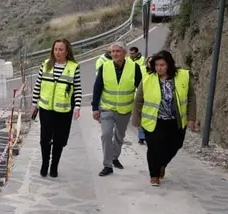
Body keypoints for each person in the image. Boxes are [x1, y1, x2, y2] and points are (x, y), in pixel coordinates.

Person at [132, 50, 197, 186]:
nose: (159, 68)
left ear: (169, 64)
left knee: (176, 145)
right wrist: (136, 120)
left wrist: (191, 118)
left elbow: (191, 97)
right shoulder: (148, 78)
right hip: (154, 120)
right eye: (157, 65)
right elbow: (138, 100)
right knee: (154, 148)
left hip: (175, 120)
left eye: (162, 65)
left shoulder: (182, 76)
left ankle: (162, 164)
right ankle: (154, 175)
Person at [30, 38, 82, 177]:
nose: (57, 52)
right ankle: (44, 163)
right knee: (44, 139)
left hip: (63, 111)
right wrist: (34, 104)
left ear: (67, 51)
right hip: (46, 110)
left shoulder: (73, 67)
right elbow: (38, 86)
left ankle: (54, 165)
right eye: (55, 49)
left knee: (59, 140)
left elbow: (77, 89)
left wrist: (77, 106)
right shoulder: (46, 65)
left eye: (61, 49)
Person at [91, 41, 143, 177]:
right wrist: (94, 108)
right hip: (107, 108)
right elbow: (97, 88)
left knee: (119, 136)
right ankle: (107, 165)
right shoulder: (105, 67)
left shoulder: (134, 67)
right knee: (106, 134)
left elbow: (141, 87)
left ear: (124, 53)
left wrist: (141, 107)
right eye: (112, 52)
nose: (114, 54)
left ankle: (114, 157)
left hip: (125, 110)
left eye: (117, 51)